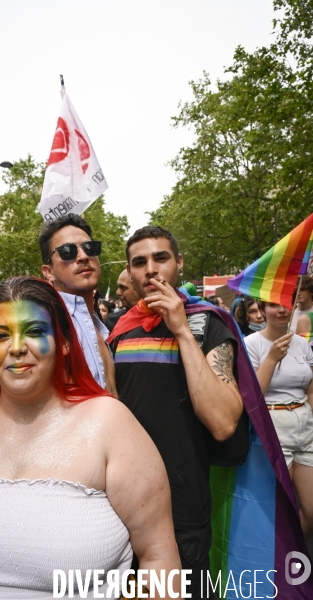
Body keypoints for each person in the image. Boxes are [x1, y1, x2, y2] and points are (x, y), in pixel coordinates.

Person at [0, 276, 181, 599]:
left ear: (64, 343)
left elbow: (159, 559)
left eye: (34, 332)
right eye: (1, 335)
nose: (17, 348)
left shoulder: (111, 428)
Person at [108, 226, 243, 600]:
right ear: (130, 271)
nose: (150, 269)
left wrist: (182, 331)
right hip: (120, 506)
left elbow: (223, 423)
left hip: (181, 509)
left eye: (161, 258)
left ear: (179, 263)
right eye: (139, 262)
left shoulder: (207, 324)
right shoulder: (118, 332)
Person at [245, 302, 313, 538]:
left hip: (306, 425)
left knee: (311, 511)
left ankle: (294, 558)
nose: (282, 310)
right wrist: (272, 358)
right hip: (273, 425)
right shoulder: (251, 343)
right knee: (281, 509)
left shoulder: (302, 343)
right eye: (274, 305)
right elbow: (253, 396)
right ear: (262, 309)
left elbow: (310, 389)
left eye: (287, 303)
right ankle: (281, 566)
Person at [39, 214, 117, 396]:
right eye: (68, 251)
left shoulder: (99, 326)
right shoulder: (47, 325)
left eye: (90, 248)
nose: (83, 256)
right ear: (48, 272)